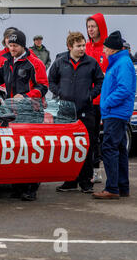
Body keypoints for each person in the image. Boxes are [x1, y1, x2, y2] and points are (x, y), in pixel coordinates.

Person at [0, 30, 48, 201]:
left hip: (31, 111)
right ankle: (18, 186)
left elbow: (43, 86)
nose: (12, 48)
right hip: (13, 112)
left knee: (31, 151)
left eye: (15, 45)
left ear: (22, 46)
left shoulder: (35, 63)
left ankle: (31, 188)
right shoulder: (7, 62)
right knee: (18, 150)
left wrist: (25, 97)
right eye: (10, 45)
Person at [48, 32, 104, 194]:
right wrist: (59, 93)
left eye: (83, 45)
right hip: (65, 112)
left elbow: (100, 81)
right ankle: (70, 181)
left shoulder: (91, 63)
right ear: (70, 46)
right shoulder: (60, 62)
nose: (82, 48)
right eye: (79, 46)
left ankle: (86, 182)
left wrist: (90, 95)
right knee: (69, 147)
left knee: (86, 146)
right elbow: (51, 80)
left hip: (86, 111)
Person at [92, 31, 136, 199]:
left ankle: (112, 188)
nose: (103, 50)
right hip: (116, 112)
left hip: (115, 113)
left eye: (105, 47)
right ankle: (122, 186)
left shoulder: (122, 63)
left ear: (112, 49)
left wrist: (106, 102)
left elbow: (124, 89)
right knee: (119, 149)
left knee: (109, 148)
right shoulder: (120, 61)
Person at [85, 13, 109, 184]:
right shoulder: (85, 47)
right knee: (90, 137)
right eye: (88, 27)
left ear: (100, 27)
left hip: (105, 100)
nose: (90, 30)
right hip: (89, 100)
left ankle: (103, 172)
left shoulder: (108, 49)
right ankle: (91, 171)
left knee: (105, 138)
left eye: (93, 26)